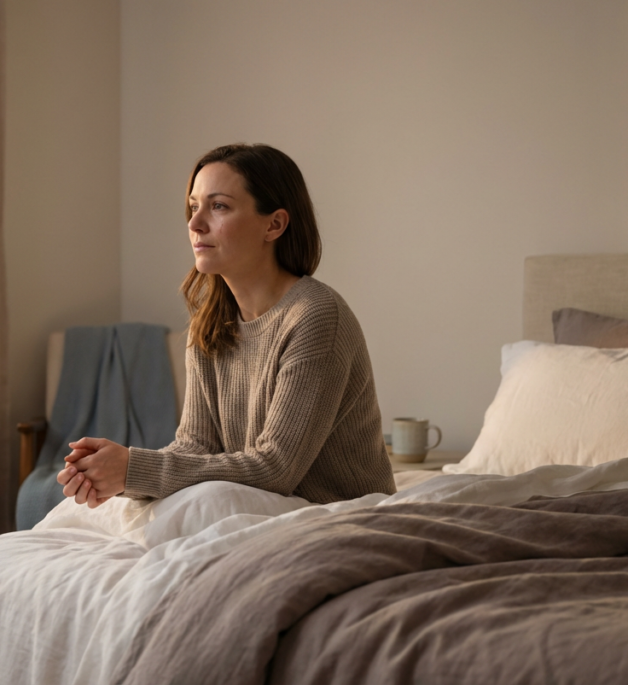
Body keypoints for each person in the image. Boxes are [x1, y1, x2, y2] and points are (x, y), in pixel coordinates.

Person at [56, 143, 395, 507]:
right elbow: (196, 446)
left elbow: (276, 468)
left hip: (335, 514)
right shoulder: (211, 321)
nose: (194, 224)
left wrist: (134, 468)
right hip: (257, 507)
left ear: (274, 224)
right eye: (193, 206)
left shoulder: (316, 316)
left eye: (218, 206)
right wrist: (116, 478)